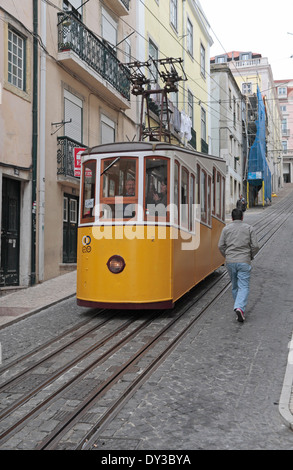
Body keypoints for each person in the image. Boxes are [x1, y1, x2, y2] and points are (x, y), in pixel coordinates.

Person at [218, 208, 259, 322]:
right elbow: (255, 246)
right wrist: (250, 255)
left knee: (235, 286)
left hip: (230, 262)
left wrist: (226, 255)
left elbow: (220, 245)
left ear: (231, 218)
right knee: (244, 286)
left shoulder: (226, 229)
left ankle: (239, 308)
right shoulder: (249, 228)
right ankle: (239, 307)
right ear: (242, 217)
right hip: (244, 261)